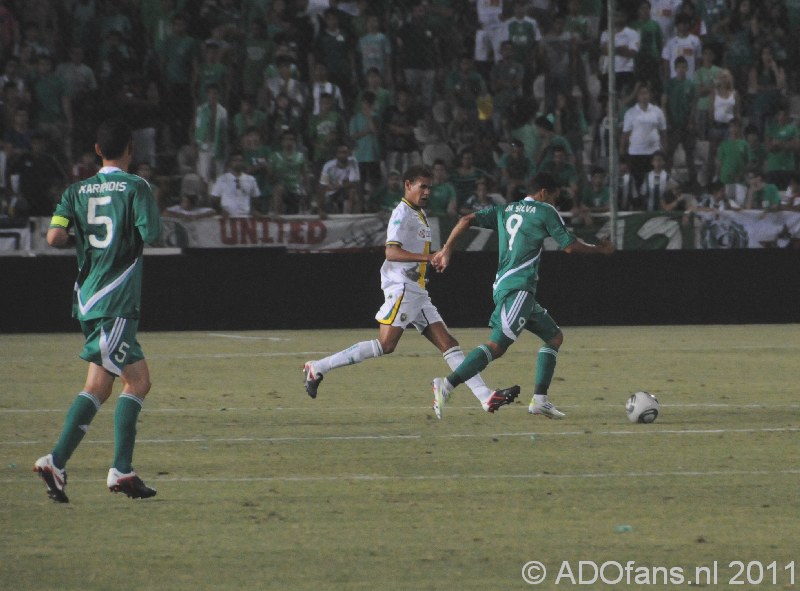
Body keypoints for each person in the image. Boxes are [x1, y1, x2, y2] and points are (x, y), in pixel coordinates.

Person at [302, 165, 520, 416]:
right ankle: (318, 367)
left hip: (417, 291)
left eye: (430, 187)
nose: (427, 192)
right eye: (422, 187)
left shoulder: (419, 214)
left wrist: (427, 263)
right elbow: (390, 252)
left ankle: (486, 397)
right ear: (408, 185)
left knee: (449, 344)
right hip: (404, 289)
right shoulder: (402, 214)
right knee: (386, 344)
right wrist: (429, 257)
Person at [33, 118, 161, 503]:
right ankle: (94, 466)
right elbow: (152, 234)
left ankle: (87, 467)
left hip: (87, 299)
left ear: (97, 150)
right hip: (116, 300)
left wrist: (84, 236)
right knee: (124, 385)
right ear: (131, 150)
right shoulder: (137, 186)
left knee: (112, 384)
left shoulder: (76, 190)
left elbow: (54, 237)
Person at [429, 172, 614, 420]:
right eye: (555, 197)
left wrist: (446, 250)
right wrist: (600, 250)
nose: (555, 203)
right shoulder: (545, 211)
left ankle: (540, 400)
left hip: (512, 289)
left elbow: (465, 219)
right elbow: (569, 245)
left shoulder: (506, 209)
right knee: (496, 346)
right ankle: (447, 384)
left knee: (554, 337)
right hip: (518, 289)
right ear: (544, 192)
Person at [210, 152, 261, 217]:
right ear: (230, 163)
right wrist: (221, 211)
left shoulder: (251, 179)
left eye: (240, 161)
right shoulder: (222, 179)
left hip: (246, 216)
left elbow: (256, 198)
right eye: (235, 160)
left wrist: (253, 210)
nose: (238, 163)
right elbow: (214, 199)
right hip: (227, 217)